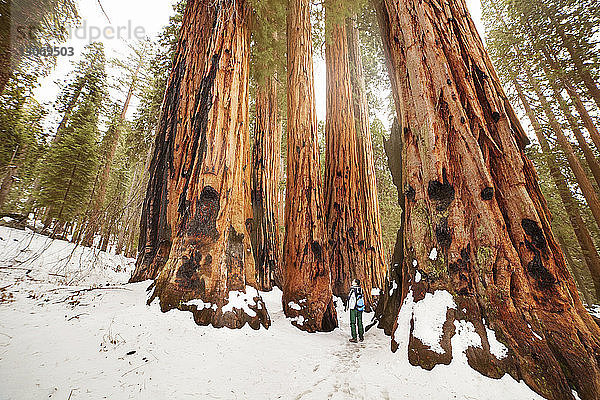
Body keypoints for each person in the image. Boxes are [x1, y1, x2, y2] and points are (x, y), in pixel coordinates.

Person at [346, 278, 364, 343]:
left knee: (353, 323)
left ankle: (354, 337)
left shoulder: (352, 289)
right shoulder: (361, 289)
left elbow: (349, 299)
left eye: (353, 281)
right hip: (360, 307)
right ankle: (361, 337)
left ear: (356, 283)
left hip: (353, 308)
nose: (352, 282)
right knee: (360, 322)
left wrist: (348, 307)